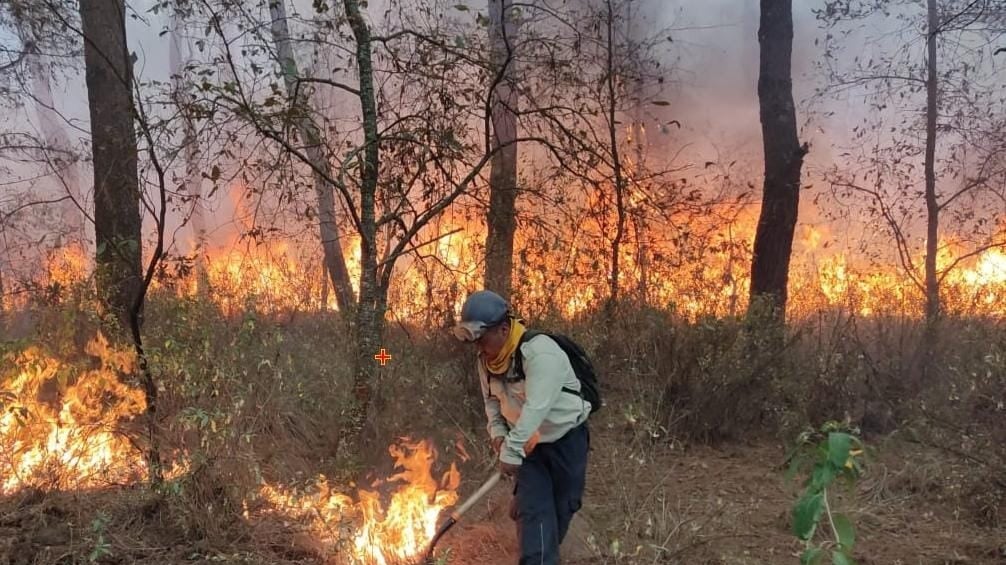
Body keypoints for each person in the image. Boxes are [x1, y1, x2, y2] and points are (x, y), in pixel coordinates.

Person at [453, 290, 591, 565]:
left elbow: (536, 408)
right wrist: (499, 436)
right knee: (536, 521)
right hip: (529, 449)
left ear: (503, 329)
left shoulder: (540, 353)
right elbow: (491, 403)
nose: (477, 347)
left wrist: (511, 451)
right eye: (474, 340)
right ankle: (535, 545)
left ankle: (539, 540)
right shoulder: (486, 361)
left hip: (567, 442)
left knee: (563, 509)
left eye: (481, 338)